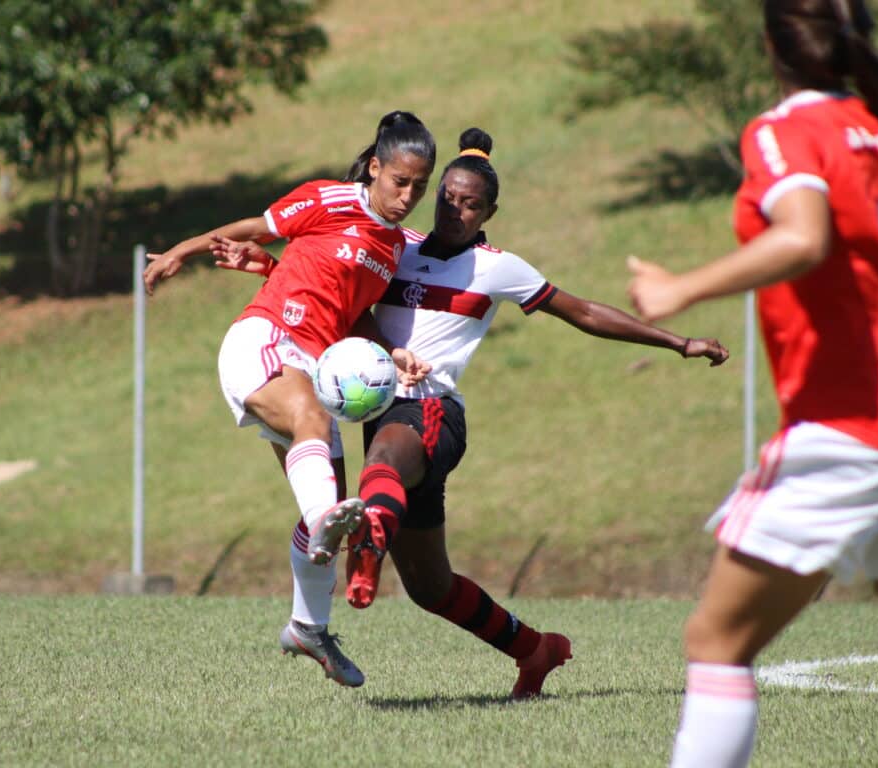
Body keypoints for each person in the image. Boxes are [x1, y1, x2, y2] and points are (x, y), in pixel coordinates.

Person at [214, 127, 729, 698]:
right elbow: (334, 292)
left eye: (471, 203)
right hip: (386, 417)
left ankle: (366, 550)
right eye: (448, 198)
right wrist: (265, 266)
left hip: (432, 413)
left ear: (489, 213)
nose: (456, 209)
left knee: (381, 461)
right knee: (429, 586)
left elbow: (581, 311)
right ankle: (536, 650)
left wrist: (678, 343)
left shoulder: (497, 268)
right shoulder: (396, 247)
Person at [626, 1, 878, 765]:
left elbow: (804, 236)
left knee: (715, 640)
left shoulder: (782, 130)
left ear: (771, 43)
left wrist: (682, 289)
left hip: (847, 426)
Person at [144, 110, 437, 689]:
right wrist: (182, 251)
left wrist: (393, 351)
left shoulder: (395, 245)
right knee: (314, 453)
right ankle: (321, 522)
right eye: (400, 181)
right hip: (267, 337)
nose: (408, 196)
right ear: (376, 168)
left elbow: (354, 313)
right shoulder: (331, 199)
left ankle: (308, 628)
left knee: (330, 512)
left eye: (419, 187)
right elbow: (255, 229)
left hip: (319, 369)